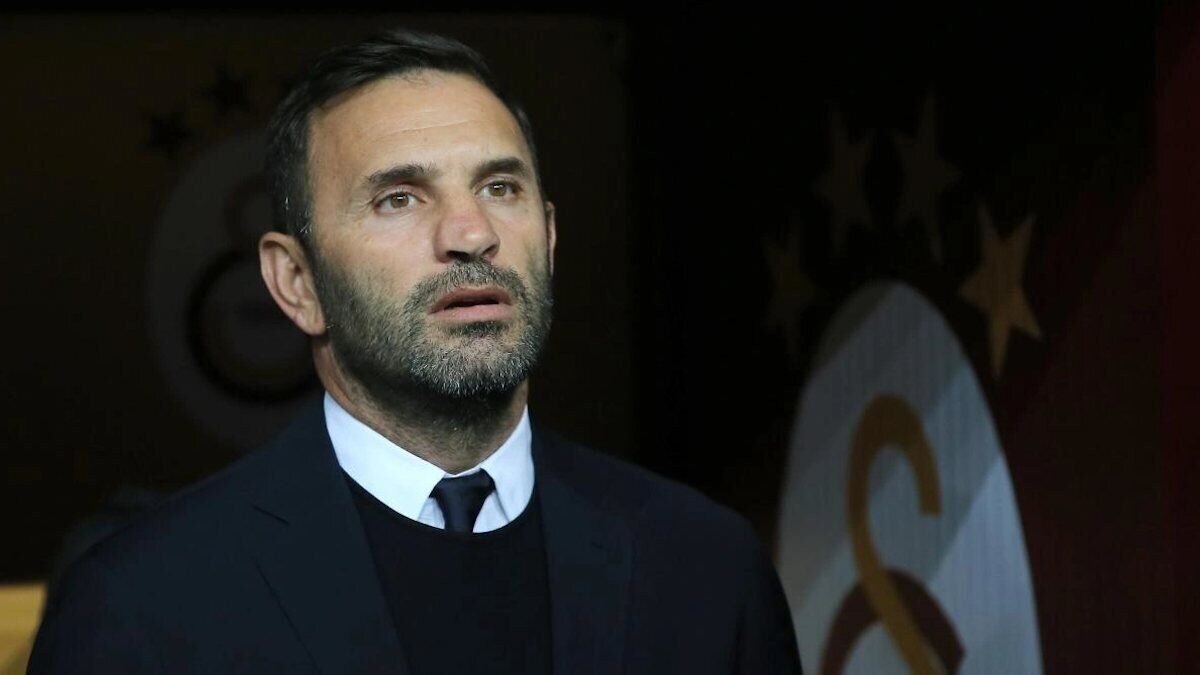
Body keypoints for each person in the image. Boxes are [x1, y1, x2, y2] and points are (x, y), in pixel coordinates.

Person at [28, 28, 803, 674]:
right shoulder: (143, 605)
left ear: (549, 238)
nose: (471, 233)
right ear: (297, 282)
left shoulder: (707, 567)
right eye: (398, 197)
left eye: (499, 187)